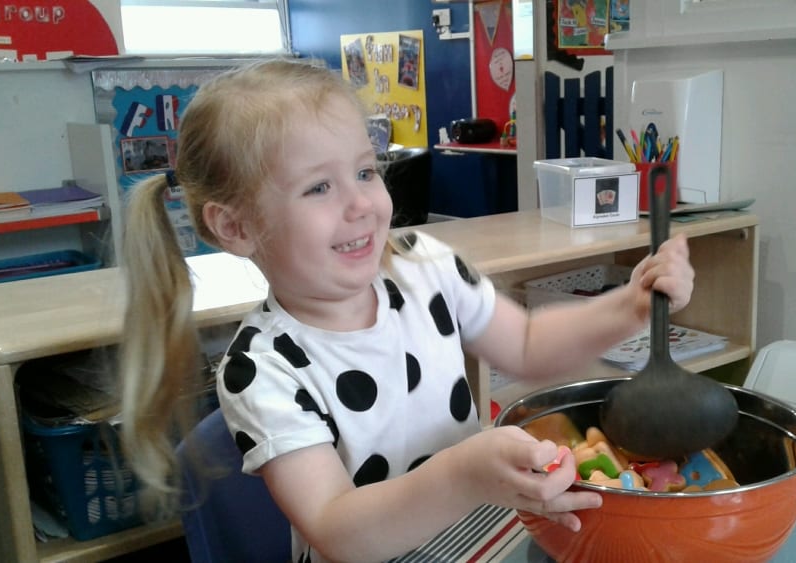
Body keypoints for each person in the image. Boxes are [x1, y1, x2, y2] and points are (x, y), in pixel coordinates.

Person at [117, 58, 695, 563]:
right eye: (318, 188)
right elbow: (336, 528)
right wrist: (462, 474)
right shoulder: (262, 370)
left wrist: (630, 305)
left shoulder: (425, 266)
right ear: (236, 227)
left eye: (366, 171)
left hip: (474, 532)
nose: (362, 204)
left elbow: (527, 346)